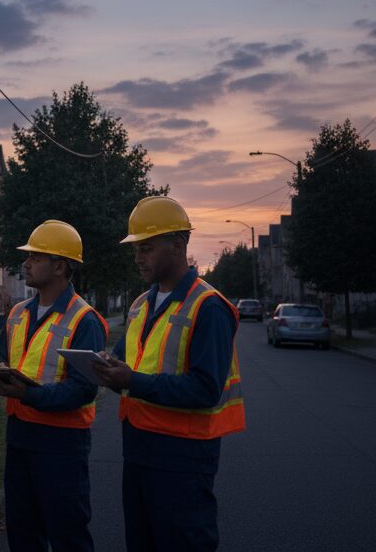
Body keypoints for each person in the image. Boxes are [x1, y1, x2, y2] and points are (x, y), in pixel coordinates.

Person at [93, 196, 245, 552]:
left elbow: (206, 389)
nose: (137, 257)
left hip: (184, 459)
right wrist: (103, 367)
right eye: (135, 249)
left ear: (178, 246)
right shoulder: (140, 305)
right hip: (138, 452)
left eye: (146, 248)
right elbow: (125, 363)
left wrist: (131, 380)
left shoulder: (209, 307)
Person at [0, 220, 108, 552]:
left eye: (35, 257)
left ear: (60, 266)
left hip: (62, 442)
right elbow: (1, 353)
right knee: (23, 532)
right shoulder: (18, 313)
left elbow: (83, 389)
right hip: (20, 435)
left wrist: (28, 393)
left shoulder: (85, 319)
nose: (25, 263)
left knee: (68, 533)